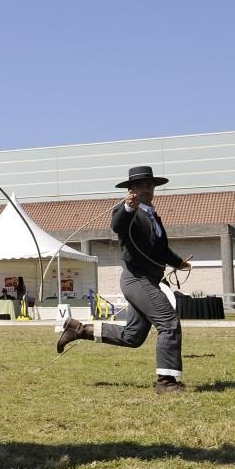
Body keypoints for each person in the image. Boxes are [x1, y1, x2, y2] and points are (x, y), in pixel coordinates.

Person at [56, 166, 193, 394]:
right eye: (140, 185)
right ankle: (166, 382)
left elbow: (162, 250)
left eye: (149, 185)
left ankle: (78, 329)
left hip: (148, 281)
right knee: (168, 322)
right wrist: (128, 207)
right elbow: (117, 224)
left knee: (133, 336)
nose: (146, 189)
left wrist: (179, 263)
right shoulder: (128, 212)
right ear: (130, 190)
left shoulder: (153, 215)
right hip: (137, 280)